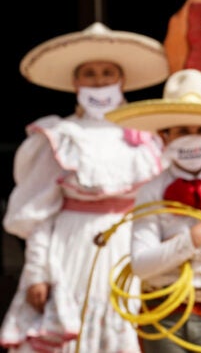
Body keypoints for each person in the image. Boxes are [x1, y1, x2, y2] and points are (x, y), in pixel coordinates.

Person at [0, 22, 169, 352]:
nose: (99, 80)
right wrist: (37, 272)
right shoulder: (61, 136)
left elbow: (160, 206)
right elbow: (39, 213)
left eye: (107, 72)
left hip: (131, 249)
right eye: (89, 73)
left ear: (121, 79)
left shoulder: (147, 138)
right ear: (76, 82)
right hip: (71, 250)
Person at [105, 68, 201, 353]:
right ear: (165, 136)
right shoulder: (151, 191)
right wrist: (193, 239)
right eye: (182, 130)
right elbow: (141, 265)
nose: (193, 137)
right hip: (162, 315)